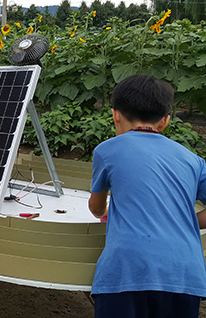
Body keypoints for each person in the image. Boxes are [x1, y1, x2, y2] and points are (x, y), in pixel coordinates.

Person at [88, 74, 206, 318]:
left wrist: (103, 211)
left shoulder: (107, 150)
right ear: (165, 121)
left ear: (115, 115)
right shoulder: (193, 160)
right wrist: (183, 221)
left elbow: (96, 207)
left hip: (127, 271)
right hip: (184, 274)